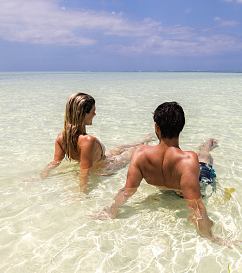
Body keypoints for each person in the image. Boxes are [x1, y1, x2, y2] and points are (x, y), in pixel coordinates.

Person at [93, 102, 232, 246]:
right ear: (181, 127)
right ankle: (206, 146)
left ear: (156, 127)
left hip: (169, 187)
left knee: (204, 158)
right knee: (203, 158)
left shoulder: (140, 153)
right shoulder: (188, 160)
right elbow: (196, 205)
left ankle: (207, 144)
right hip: (186, 184)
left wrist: (111, 211)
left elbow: (127, 191)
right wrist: (210, 236)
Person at [40, 92, 154, 191]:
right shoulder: (88, 141)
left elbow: (55, 162)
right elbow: (84, 172)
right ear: (83, 114)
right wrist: (82, 193)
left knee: (120, 147)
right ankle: (146, 142)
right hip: (108, 165)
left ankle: (145, 139)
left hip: (104, 157)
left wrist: (42, 175)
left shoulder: (62, 136)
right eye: (93, 111)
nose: (95, 114)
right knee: (137, 150)